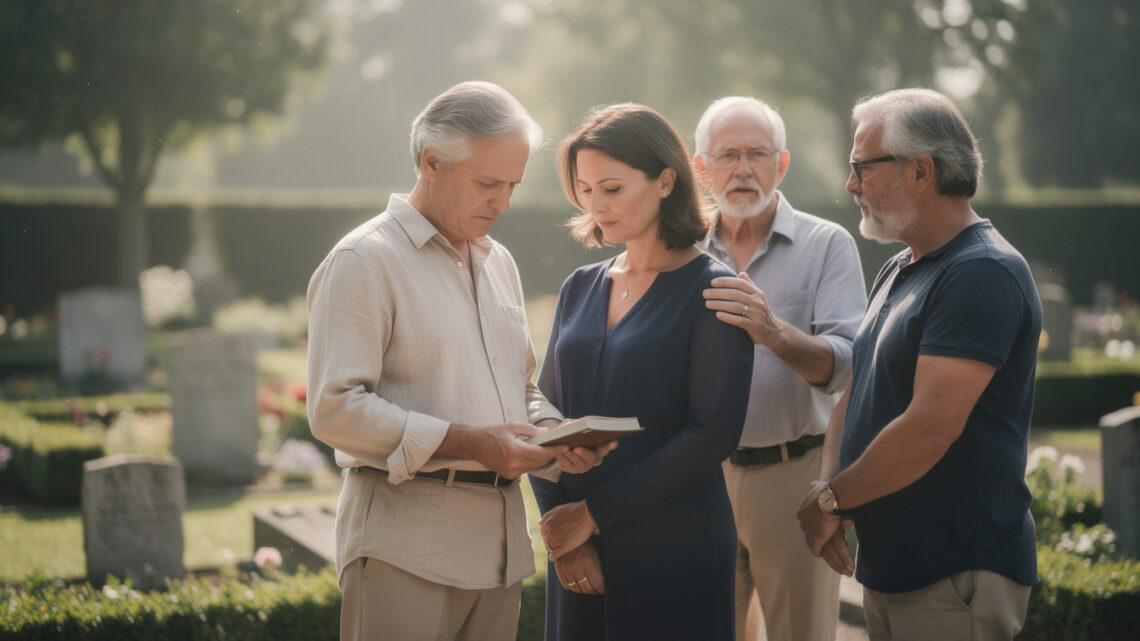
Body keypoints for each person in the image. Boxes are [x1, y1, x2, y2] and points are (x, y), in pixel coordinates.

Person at [306, 81, 613, 641]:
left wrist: (552, 434)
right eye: (488, 183)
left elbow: (518, 386)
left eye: (514, 184)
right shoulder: (363, 260)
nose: (504, 202)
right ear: (431, 162)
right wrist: (469, 442)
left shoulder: (500, 263)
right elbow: (334, 411)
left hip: (497, 558)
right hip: (403, 552)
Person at [797, 88, 1042, 640]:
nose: (850, 184)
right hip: (897, 567)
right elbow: (856, 388)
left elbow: (929, 429)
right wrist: (826, 487)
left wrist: (833, 499)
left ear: (921, 171)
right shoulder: (901, 267)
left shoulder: (982, 272)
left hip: (955, 573)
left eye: (862, 167)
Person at [530, 103, 754, 640]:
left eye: (612, 188)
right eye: (585, 190)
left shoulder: (715, 289)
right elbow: (544, 409)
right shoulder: (580, 285)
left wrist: (592, 513)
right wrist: (567, 533)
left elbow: (713, 433)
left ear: (665, 180)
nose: (596, 205)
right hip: (577, 544)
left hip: (677, 543)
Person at [694, 96, 867, 641]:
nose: (743, 169)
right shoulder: (683, 251)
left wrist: (772, 331)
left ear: (781, 164)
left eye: (757, 154)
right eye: (727, 156)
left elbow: (847, 364)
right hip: (700, 481)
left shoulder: (826, 245)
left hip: (794, 476)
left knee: (801, 634)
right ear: (701, 169)